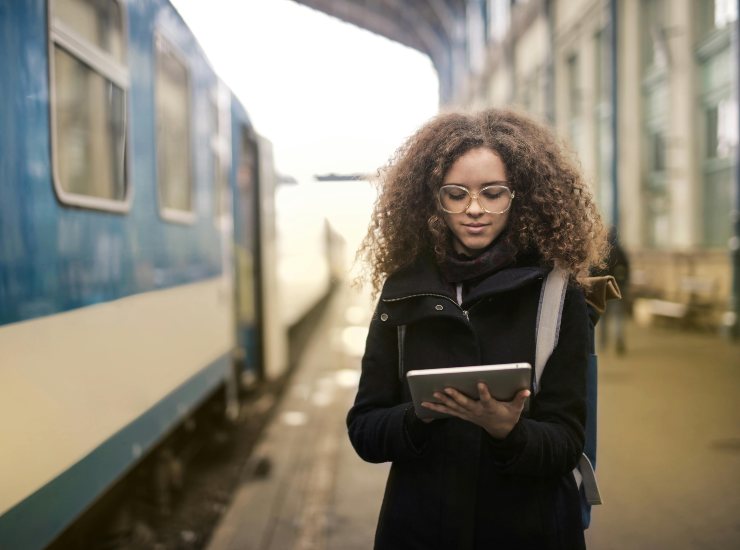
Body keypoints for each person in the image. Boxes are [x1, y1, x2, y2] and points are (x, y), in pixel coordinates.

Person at [347, 108, 608, 550]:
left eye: (492, 193)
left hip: (531, 530)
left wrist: (511, 431)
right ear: (433, 199)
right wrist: (420, 416)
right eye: (456, 193)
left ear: (520, 196)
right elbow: (365, 430)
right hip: (421, 530)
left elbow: (567, 441)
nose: (474, 209)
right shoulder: (402, 292)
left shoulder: (558, 293)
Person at [595, 226, 630, 354]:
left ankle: (603, 343)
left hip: (603, 290)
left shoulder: (602, 252)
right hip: (618, 289)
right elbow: (627, 269)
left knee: (603, 318)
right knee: (618, 316)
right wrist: (624, 284)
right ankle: (619, 339)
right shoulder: (621, 252)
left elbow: (596, 271)